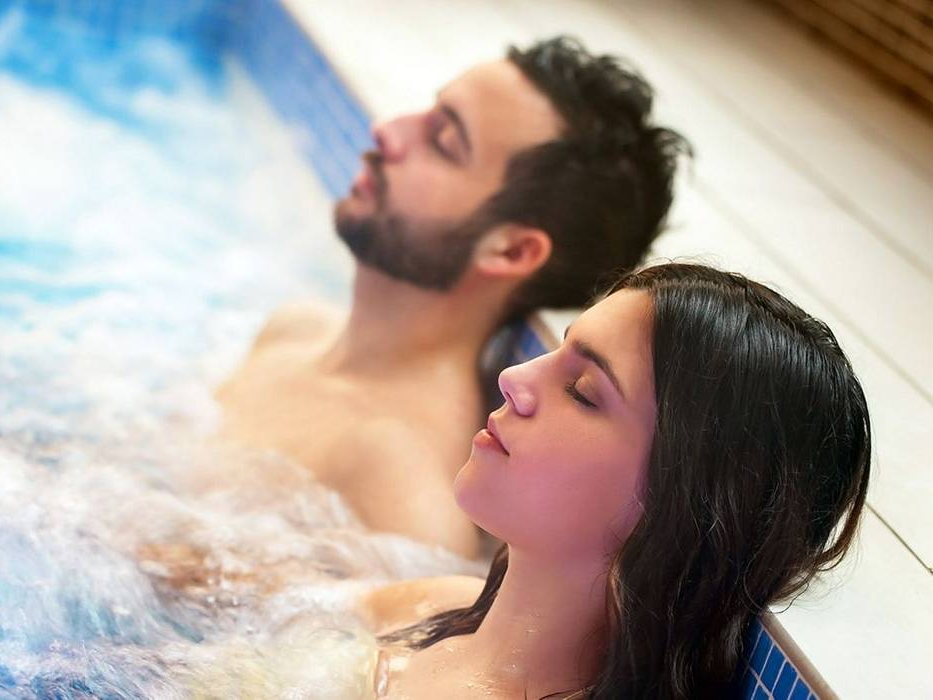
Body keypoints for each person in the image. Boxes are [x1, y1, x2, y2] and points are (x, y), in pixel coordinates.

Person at [217, 37, 691, 557]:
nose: (387, 132)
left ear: (510, 250)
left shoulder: (404, 485)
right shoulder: (293, 327)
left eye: (442, 140)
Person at [360, 263, 872, 698]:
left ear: (678, 506)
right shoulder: (428, 606)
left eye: (582, 390)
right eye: (555, 354)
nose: (514, 379)